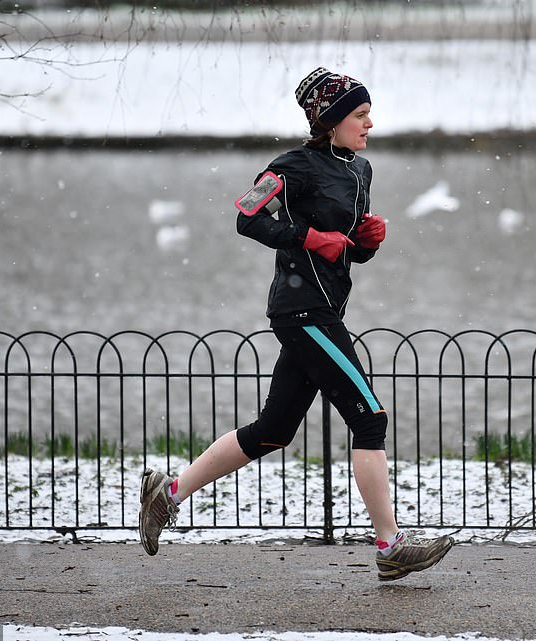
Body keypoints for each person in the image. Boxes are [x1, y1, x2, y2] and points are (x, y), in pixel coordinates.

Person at [139, 67, 454, 581]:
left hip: (325, 309)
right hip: (301, 312)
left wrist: (367, 242)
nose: (370, 122)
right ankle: (390, 546)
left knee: (273, 431)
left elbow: (349, 251)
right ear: (330, 121)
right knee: (370, 419)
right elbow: (247, 216)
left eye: (368, 112)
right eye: (359, 114)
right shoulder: (293, 166)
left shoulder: (360, 171)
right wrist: (308, 237)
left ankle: (167, 493)